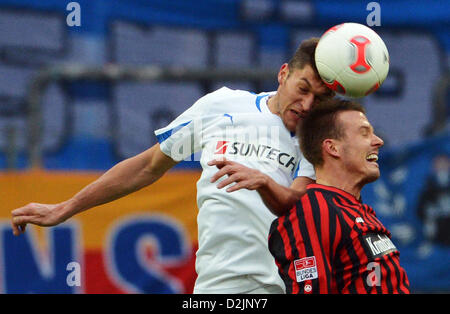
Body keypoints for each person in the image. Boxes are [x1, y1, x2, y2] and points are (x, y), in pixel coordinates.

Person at [11, 38, 333, 294]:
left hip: (285, 284)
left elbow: (298, 203)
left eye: (318, 99)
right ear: (283, 74)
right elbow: (148, 166)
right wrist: (65, 208)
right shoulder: (222, 105)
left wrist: (263, 180)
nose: (306, 105)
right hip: (218, 285)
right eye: (302, 89)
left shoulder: (315, 138)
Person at [267, 98, 410, 293]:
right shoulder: (313, 210)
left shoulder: (357, 209)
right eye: (364, 133)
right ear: (333, 148)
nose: (378, 141)